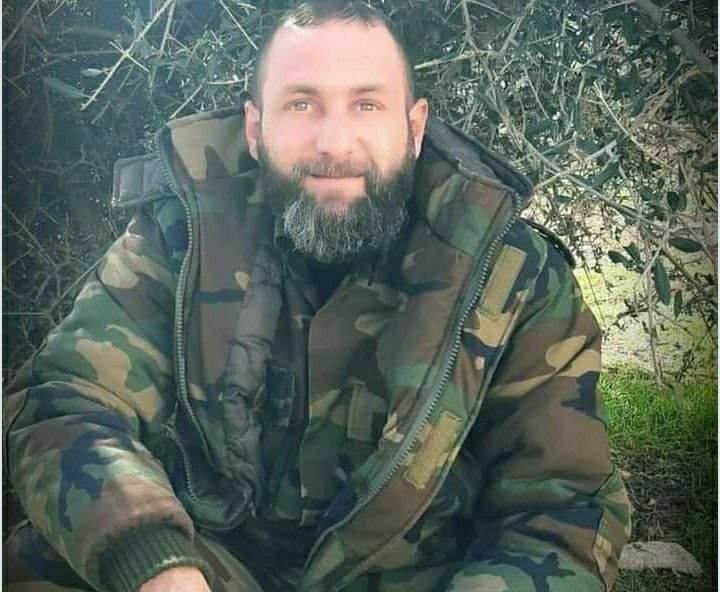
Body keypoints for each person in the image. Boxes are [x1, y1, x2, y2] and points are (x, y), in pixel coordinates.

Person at [3, 2, 632, 591]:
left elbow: (564, 506)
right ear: (256, 129)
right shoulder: (183, 236)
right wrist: (153, 562)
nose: (334, 143)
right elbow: (66, 400)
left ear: (414, 129)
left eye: (367, 105)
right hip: (213, 569)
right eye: (302, 104)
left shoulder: (511, 278)